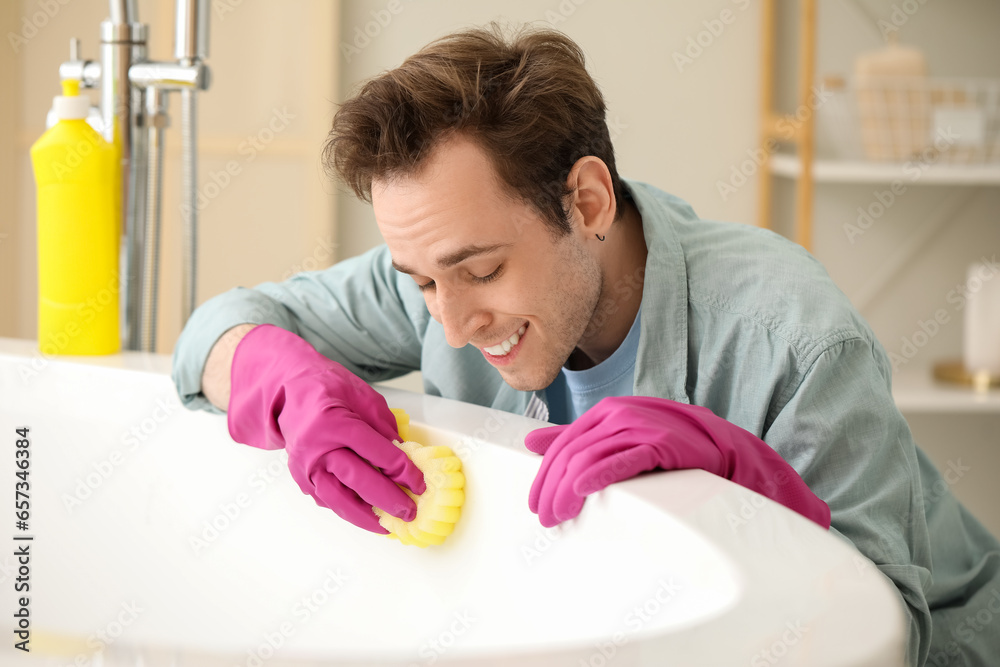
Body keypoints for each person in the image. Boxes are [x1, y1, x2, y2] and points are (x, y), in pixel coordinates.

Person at [172, 22, 1000, 667]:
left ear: (589, 201)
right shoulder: (438, 277)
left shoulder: (797, 340)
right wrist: (278, 380)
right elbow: (215, 330)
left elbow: (887, 636)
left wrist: (752, 487)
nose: (450, 323)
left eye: (482, 270)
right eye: (424, 282)